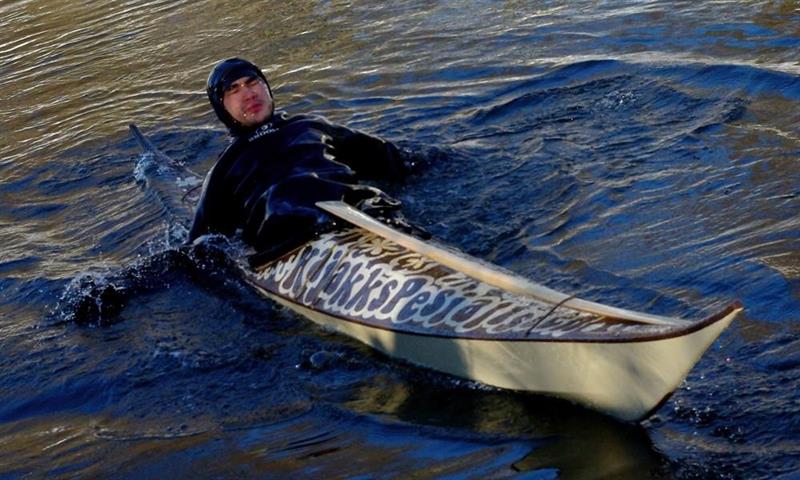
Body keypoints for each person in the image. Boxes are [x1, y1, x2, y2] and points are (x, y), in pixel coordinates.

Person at [188, 58, 420, 265]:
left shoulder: (310, 126)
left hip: (360, 212)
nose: (249, 94)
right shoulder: (225, 168)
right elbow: (199, 248)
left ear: (266, 87)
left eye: (252, 82)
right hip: (291, 242)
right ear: (221, 106)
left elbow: (395, 159)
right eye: (233, 89)